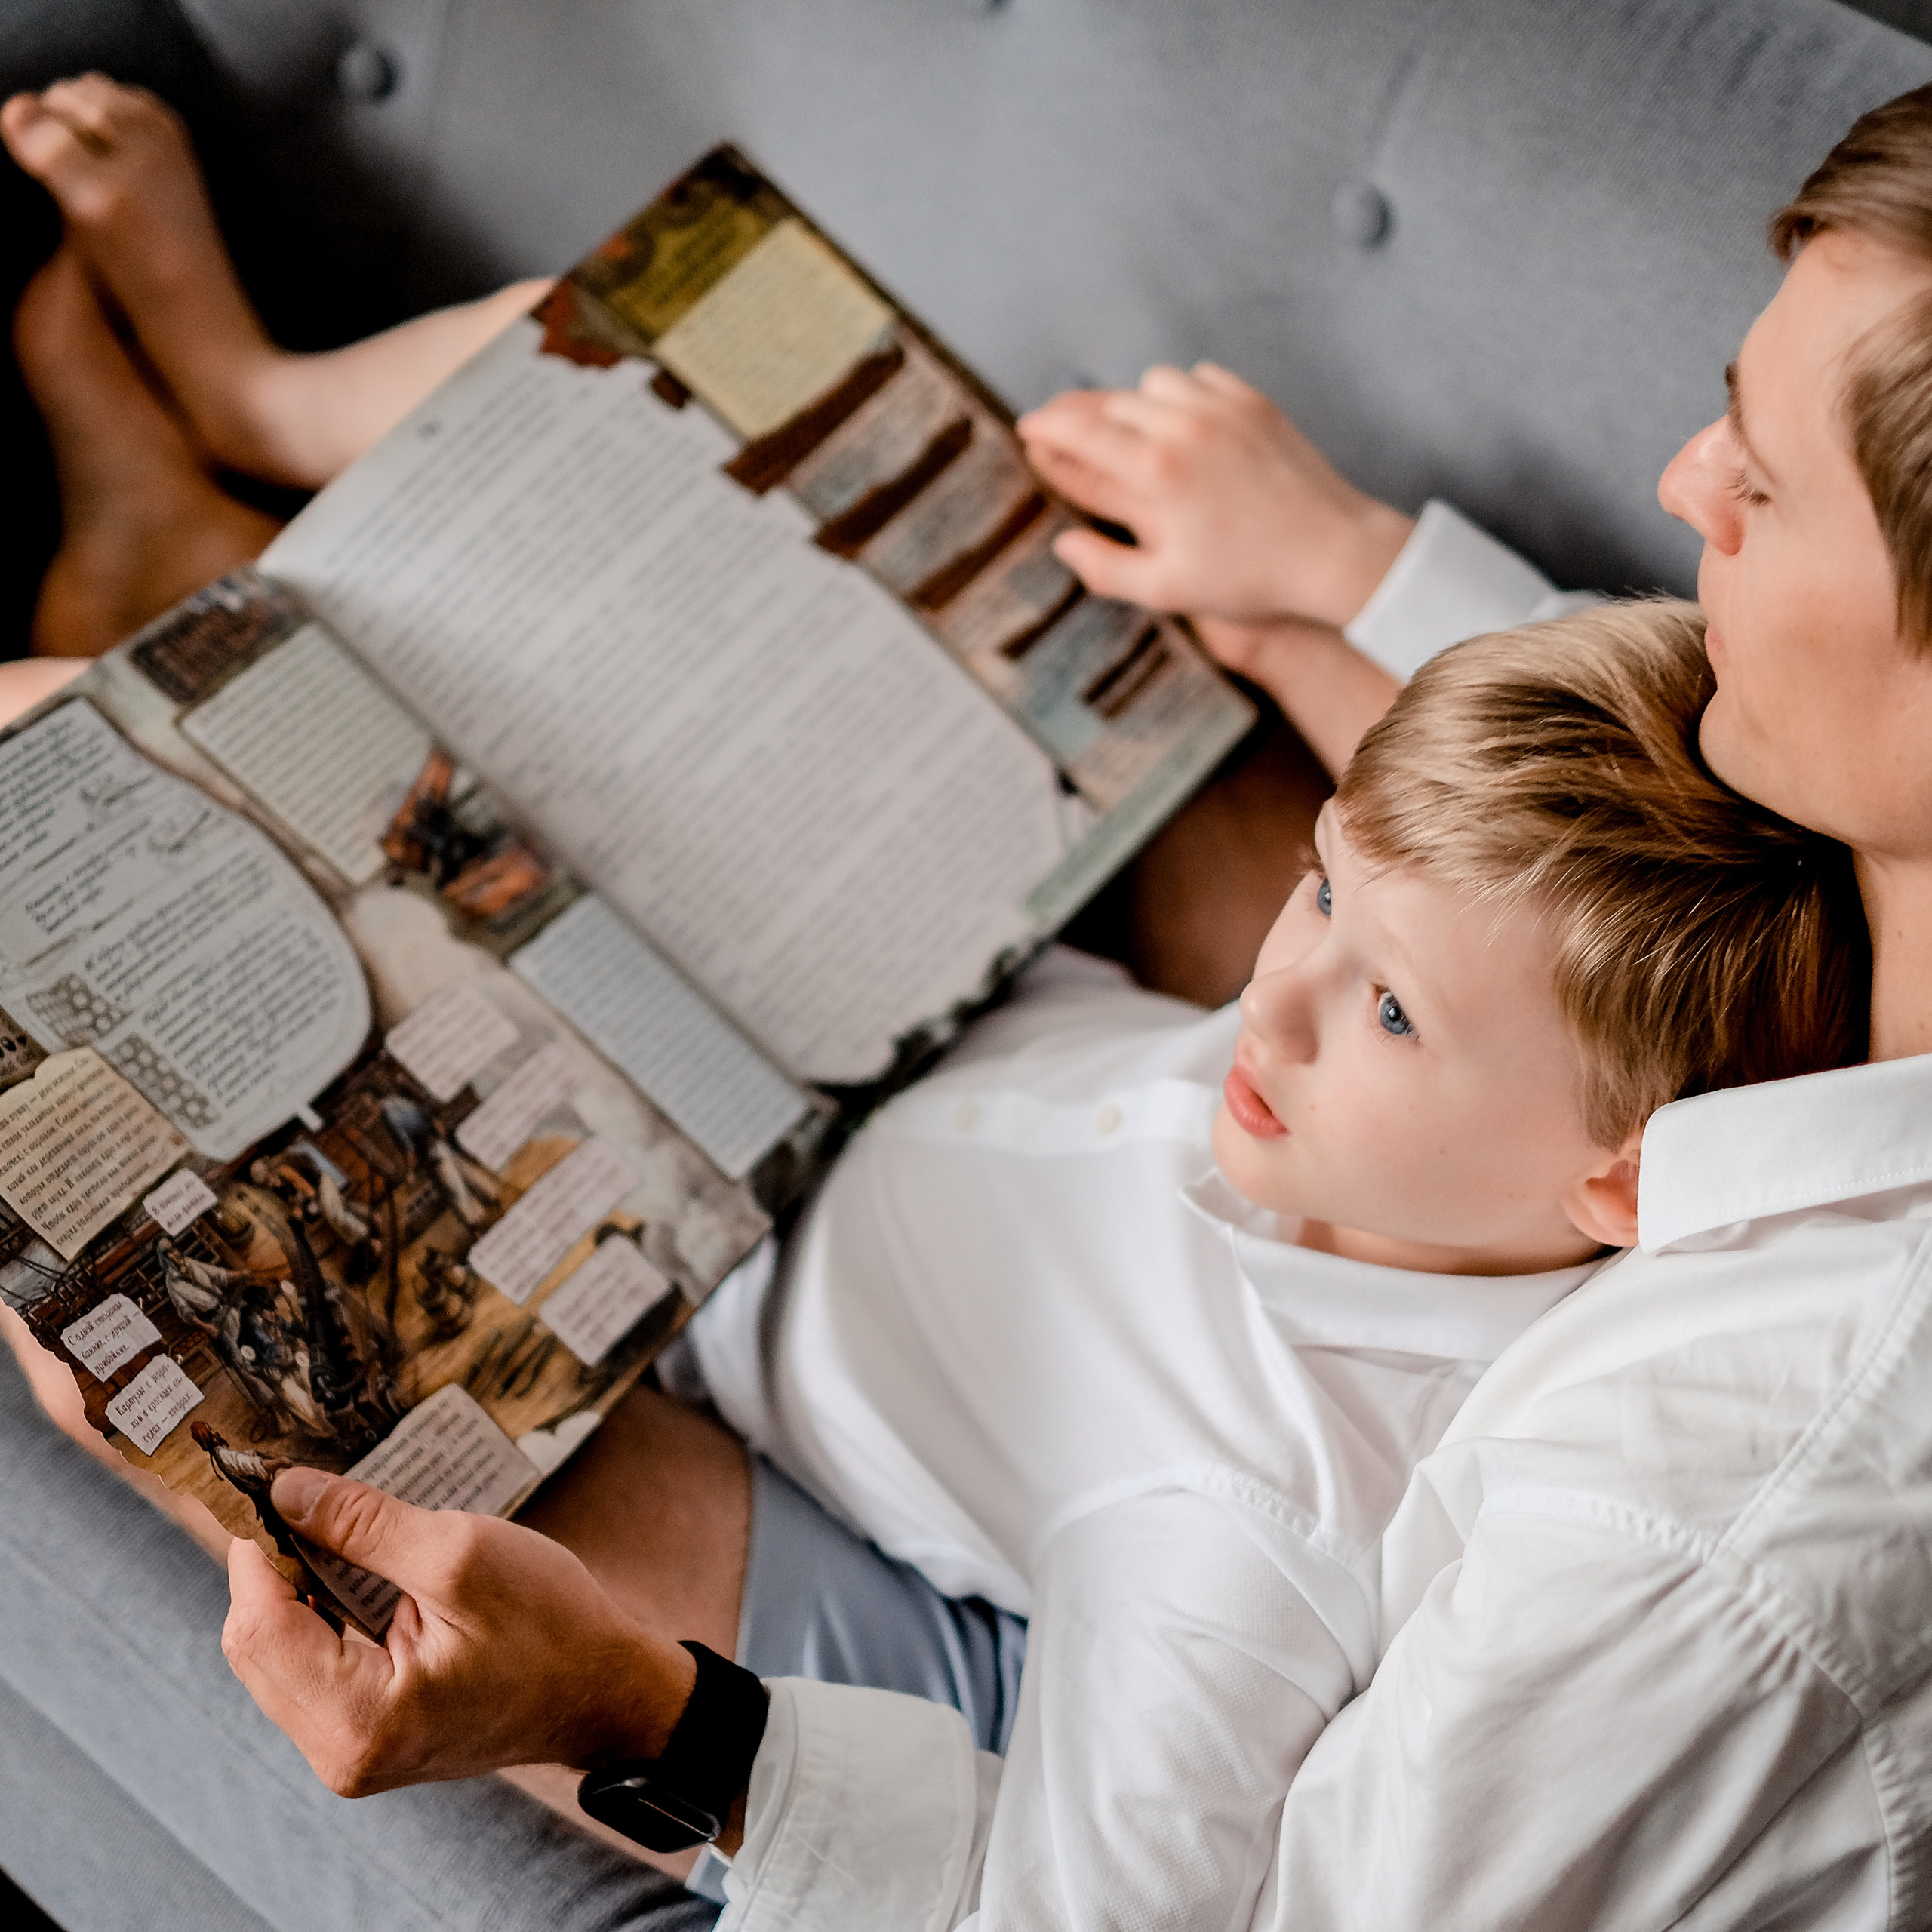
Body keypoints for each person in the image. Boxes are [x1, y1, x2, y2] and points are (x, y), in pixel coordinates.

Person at [3, 68, 1931, 1932]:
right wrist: (1341, 574)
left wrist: (633, 1712)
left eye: (1765, 485)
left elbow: (1116, 1892)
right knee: (630, 402)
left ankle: (158, 568)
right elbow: (1544, 835)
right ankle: (236, 420)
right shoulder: (1706, 890)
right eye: (1311, 893)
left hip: (700, 1275)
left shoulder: (1453, 1516)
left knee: (97, 1113)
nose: (1684, 487)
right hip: (931, 1043)